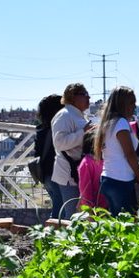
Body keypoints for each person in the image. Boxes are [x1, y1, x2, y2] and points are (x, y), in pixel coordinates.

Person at [94, 86, 139, 216]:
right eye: (132, 102)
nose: (134, 106)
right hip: (122, 180)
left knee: (116, 223)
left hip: (108, 178)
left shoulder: (107, 123)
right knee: (127, 226)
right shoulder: (121, 123)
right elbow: (129, 154)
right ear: (123, 104)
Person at [51, 83, 92, 219]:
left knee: (79, 214)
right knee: (73, 216)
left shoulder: (78, 115)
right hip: (69, 174)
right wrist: (84, 133)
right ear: (74, 97)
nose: (89, 97)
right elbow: (59, 143)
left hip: (79, 172)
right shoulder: (64, 115)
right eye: (85, 94)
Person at [34, 94, 63, 218]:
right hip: (56, 173)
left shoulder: (41, 130)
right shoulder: (57, 129)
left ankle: (52, 233)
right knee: (61, 210)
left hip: (45, 174)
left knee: (57, 206)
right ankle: (52, 235)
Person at [77, 128, 108, 211]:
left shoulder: (106, 160)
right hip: (96, 210)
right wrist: (90, 213)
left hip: (108, 207)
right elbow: (85, 192)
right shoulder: (87, 163)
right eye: (103, 143)